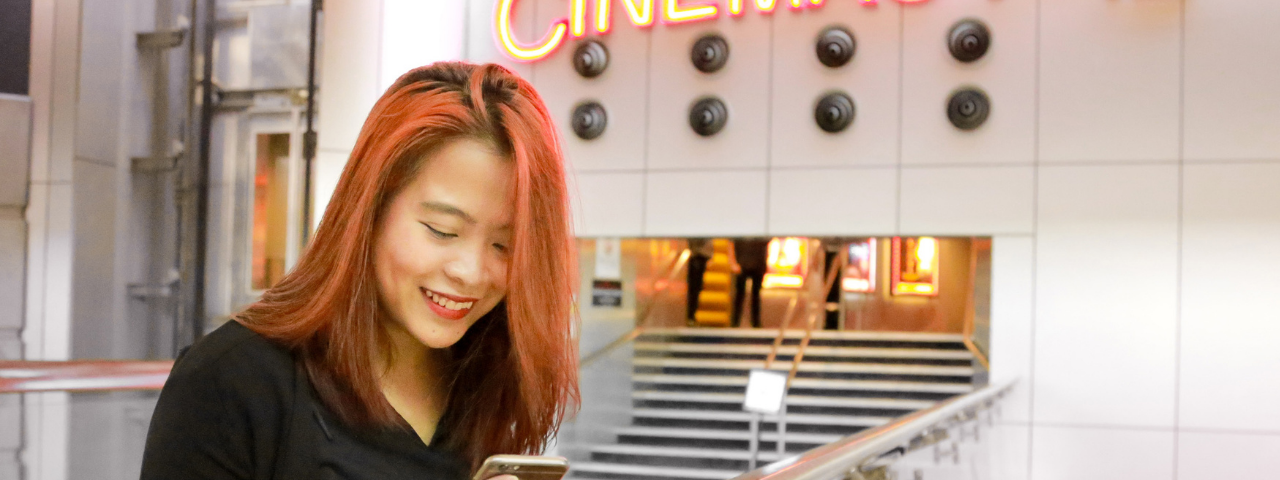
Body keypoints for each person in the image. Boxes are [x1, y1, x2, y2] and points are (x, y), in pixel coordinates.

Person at [140, 63, 580, 480]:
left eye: (505, 246)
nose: (471, 271)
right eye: (442, 231)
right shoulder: (232, 381)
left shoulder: (486, 384)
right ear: (369, 210)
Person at [731, 238, 769, 328]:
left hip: (757, 263)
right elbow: (731, 242)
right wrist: (733, 262)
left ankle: (755, 322)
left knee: (755, 295)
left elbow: (766, 244)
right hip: (742, 263)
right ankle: (735, 321)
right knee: (740, 294)